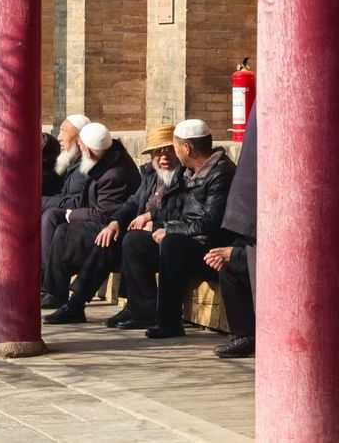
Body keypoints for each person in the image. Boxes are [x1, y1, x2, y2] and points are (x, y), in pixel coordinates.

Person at [42, 123, 184, 325]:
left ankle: (126, 307)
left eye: (168, 150)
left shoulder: (183, 176)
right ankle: (76, 303)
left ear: (180, 150)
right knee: (107, 237)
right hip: (136, 229)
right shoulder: (152, 174)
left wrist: (153, 219)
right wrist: (115, 221)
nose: (163, 158)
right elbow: (133, 202)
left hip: (169, 235)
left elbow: (184, 212)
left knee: (121, 241)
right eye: (157, 152)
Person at [119, 119, 236, 338]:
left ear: (186, 148)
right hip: (187, 240)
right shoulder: (188, 171)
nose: (172, 152)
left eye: (174, 146)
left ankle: (169, 321)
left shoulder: (221, 174)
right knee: (135, 241)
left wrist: (170, 230)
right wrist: (156, 220)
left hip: (211, 249)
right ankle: (144, 311)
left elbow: (210, 223)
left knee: (172, 244)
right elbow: (177, 211)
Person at [41, 121, 141, 309]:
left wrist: (72, 215)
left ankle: (64, 296)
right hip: (106, 221)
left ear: (87, 150)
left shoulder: (113, 174)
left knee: (68, 231)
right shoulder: (103, 160)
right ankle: (54, 290)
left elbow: (103, 213)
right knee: (63, 230)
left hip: (115, 226)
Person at [207, 102, 257, 358]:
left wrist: (233, 253)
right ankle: (245, 335)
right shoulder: (171, 175)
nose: (161, 157)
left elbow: (208, 219)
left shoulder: (219, 174)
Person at [40, 113, 91, 265]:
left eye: (64, 131)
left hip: (83, 217)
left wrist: (43, 202)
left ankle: (45, 273)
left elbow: (78, 201)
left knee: (50, 215)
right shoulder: (72, 160)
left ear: (80, 137)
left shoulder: (87, 164)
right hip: (69, 212)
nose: (59, 137)